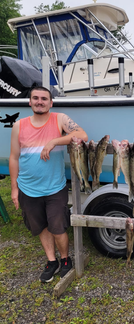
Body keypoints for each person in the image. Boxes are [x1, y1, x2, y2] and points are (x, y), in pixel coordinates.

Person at [9, 86, 88, 283]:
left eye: (44, 99)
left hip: (55, 187)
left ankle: (65, 259)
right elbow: (14, 157)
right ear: (30, 102)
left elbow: (82, 136)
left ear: (50, 103)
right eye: (35, 98)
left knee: (58, 227)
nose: (39, 101)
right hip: (27, 188)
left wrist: (54, 141)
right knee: (41, 227)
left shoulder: (59, 119)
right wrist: (14, 188)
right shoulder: (19, 125)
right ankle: (51, 261)